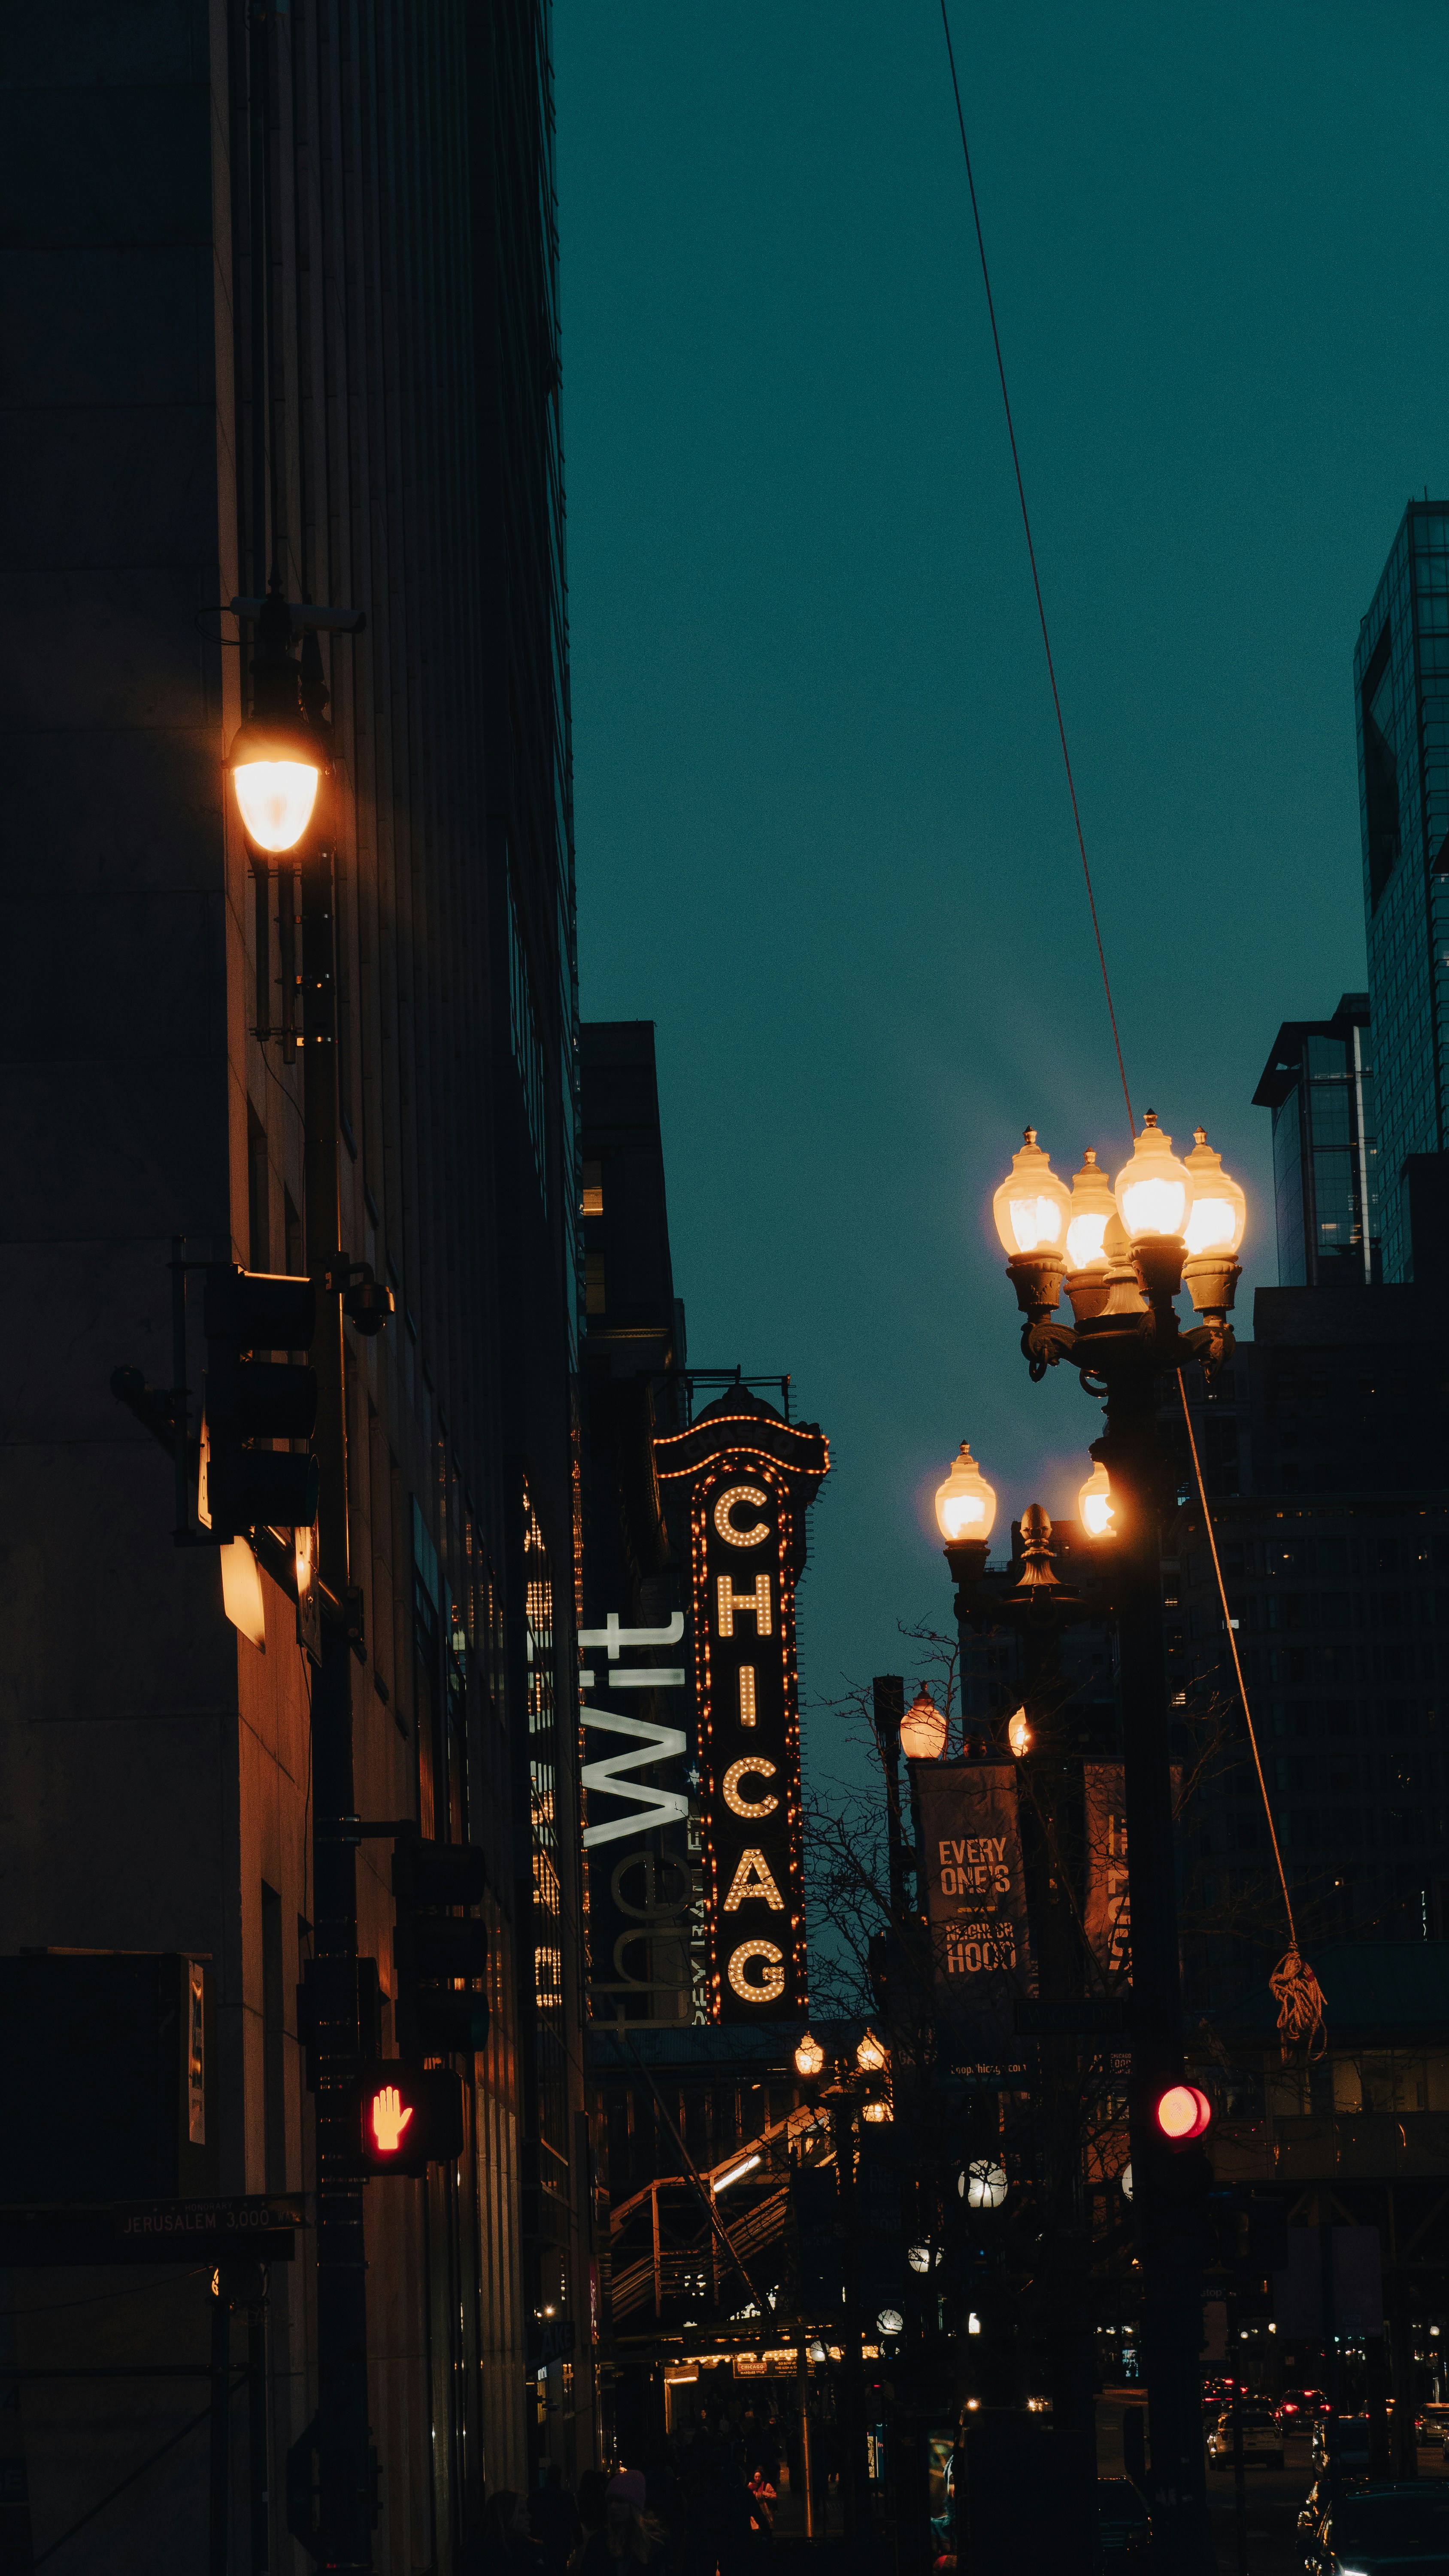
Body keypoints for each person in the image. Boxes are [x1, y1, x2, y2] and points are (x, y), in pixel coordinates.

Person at [577, 2469, 668, 2576]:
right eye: (610, 2501)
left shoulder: (653, 2544)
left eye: (620, 2501)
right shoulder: (598, 2542)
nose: (613, 2506)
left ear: (634, 2507)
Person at [533, 2464, 582, 2576]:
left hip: (540, 2540)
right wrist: (579, 2542)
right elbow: (575, 2522)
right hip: (561, 2542)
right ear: (559, 2477)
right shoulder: (567, 2498)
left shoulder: (536, 2496)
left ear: (546, 2476)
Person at [476, 2491, 537, 2576]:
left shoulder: (528, 2548)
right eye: (521, 2512)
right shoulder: (492, 2556)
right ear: (507, 2516)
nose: (529, 2516)